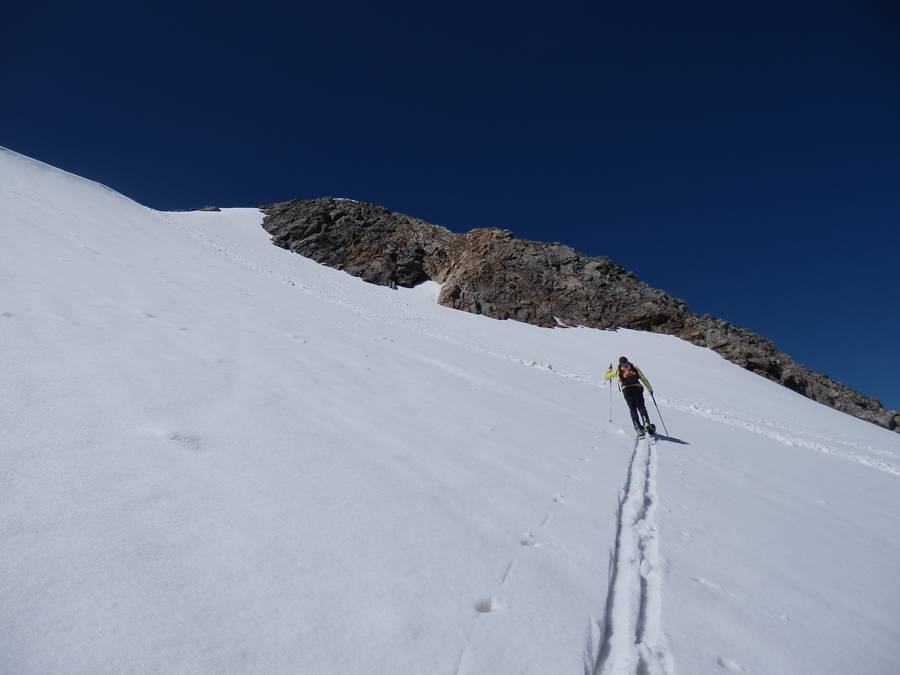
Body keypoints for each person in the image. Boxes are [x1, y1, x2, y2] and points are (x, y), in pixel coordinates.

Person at [604, 356, 655, 437]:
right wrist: (650, 389)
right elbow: (643, 378)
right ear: (627, 361)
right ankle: (646, 423)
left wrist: (609, 369)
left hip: (626, 389)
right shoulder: (634, 367)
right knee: (641, 407)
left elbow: (606, 377)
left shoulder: (618, 369)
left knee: (632, 408)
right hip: (637, 388)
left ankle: (637, 426)